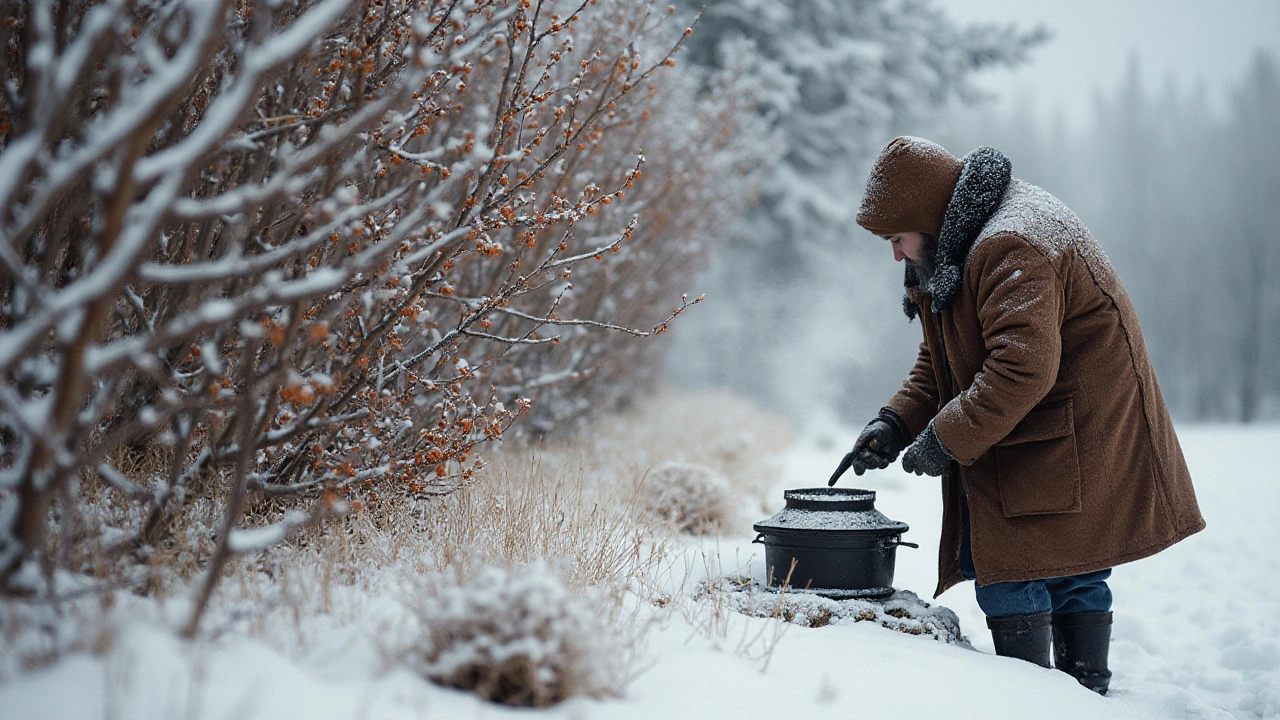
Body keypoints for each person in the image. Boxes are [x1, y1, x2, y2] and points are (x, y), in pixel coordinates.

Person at [836, 136, 1205, 695]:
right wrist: (894, 424)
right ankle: (1078, 697)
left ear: (927, 216)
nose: (894, 254)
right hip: (1035, 421)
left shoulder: (1012, 244)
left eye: (895, 238)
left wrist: (946, 438)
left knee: (1015, 567)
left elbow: (1021, 369)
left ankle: (1040, 700)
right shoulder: (949, 249)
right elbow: (944, 362)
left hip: (1075, 424)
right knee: (1065, 562)